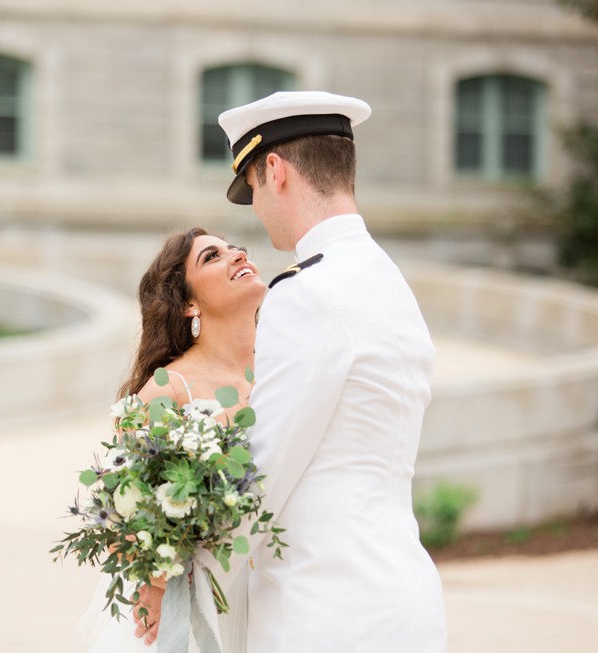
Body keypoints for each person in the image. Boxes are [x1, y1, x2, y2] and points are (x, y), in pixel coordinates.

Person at [137, 91, 447, 651]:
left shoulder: (307, 294)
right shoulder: (387, 280)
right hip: (405, 600)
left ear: (274, 171)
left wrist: (172, 581)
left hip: (326, 614)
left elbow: (265, 472)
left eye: (251, 188)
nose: (254, 211)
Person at [77, 227, 267, 652]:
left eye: (235, 248)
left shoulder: (285, 363)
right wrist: (158, 582)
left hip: (278, 586)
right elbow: (123, 514)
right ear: (189, 305)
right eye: (213, 256)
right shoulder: (167, 391)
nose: (237, 254)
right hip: (199, 602)